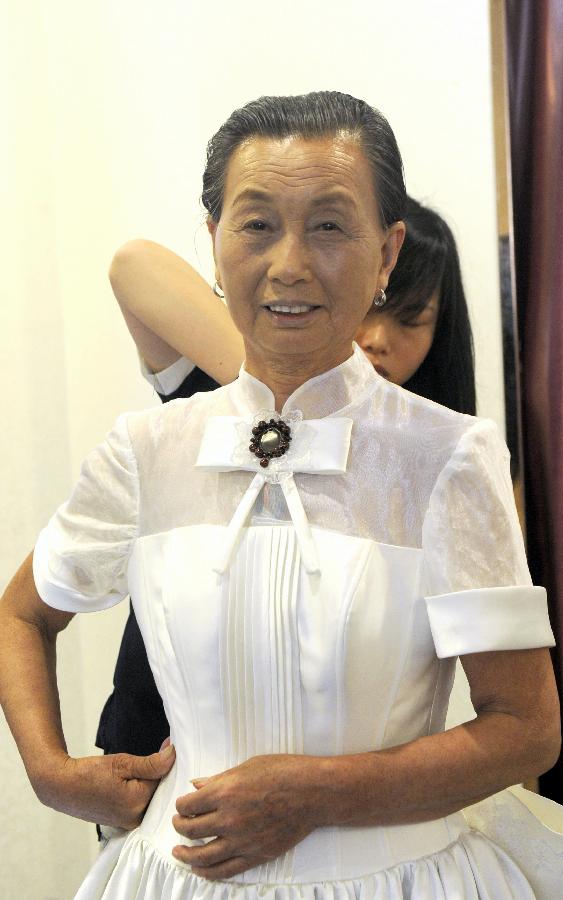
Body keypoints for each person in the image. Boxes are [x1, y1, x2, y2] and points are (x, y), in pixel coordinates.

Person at [0, 91, 563, 899]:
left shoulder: (448, 456)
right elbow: (22, 612)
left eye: (330, 225)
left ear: (386, 254)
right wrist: (49, 769)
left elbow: (525, 732)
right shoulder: (146, 450)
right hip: (172, 878)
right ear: (213, 244)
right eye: (257, 223)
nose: (290, 264)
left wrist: (315, 794)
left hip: (399, 879)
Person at [98, 194, 476, 763]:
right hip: (159, 758)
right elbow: (134, 265)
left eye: (411, 319)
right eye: (369, 305)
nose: (378, 338)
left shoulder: (442, 465)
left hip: (350, 799)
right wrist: (292, 400)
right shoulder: (216, 407)